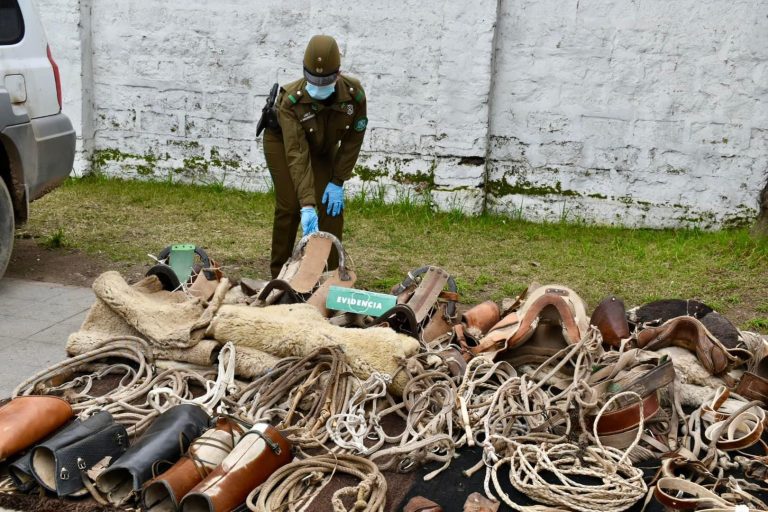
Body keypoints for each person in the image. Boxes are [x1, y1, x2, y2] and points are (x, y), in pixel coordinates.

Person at [262, 35, 368, 278]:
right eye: (313, 79)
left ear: (338, 74)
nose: (319, 86)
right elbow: (297, 153)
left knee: (331, 206)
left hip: (322, 145)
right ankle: (279, 274)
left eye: (326, 80)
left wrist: (337, 180)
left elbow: (353, 140)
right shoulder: (291, 100)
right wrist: (308, 204)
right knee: (291, 205)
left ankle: (329, 274)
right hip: (283, 143)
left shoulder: (354, 96)